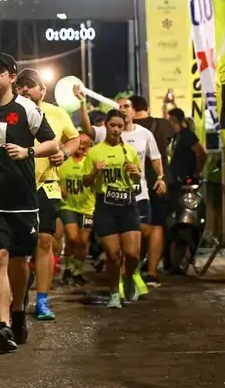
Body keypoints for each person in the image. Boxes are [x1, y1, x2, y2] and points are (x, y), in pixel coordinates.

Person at [0, 54, 58, 350]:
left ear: (12, 77)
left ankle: (19, 312)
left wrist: (28, 152)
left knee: (19, 262)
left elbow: (52, 143)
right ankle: (4, 324)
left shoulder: (26, 109)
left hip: (21, 198)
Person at [15, 68, 80, 320]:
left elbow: (74, 139)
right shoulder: (12, 113)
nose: (25, 89)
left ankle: (42, 300)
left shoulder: (57, 113)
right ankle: (18, 294)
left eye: (31, 85)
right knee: (18, 247)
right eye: (21, 85)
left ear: (43, 90)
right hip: (17, 186)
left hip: (47, 185)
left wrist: (63, 153)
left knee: (45, 241)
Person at [82, 109, 143, 309]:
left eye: (119, 126)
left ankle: (128, 277)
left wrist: (135, 173)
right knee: (113, 255)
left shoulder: (130, 151)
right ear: (105, 126)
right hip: (106, 207)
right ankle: (114, 293)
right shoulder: (94, 151)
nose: (116, 129)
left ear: (123, 127)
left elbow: (136, 180)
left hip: (127, 205)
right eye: (112, 125)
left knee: (132, 254)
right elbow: (86, 182)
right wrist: (94, 172)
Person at [114, 96, 165, 289]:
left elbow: (156, 158)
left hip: (140, 192)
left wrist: (160, 177)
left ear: (134, 111)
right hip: (117, 193)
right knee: (122, 238)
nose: (124, 110)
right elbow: (88, 131)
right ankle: (124, 276)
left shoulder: (145, 134)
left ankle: (133, 269)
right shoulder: (111, 133)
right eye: (120, 107)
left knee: (143, 231)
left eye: (127, 106)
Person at [57, 132, 94, 287]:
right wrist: (59, 188)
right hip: (68, 205)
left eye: (86, 143)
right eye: (80, 141)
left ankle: (76, 271)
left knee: (83, 242)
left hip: (88, 207)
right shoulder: (64, 161)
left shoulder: (91, 162)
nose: (82, 145)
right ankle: (67, 269)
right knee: (72, 238)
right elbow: (53, 177)